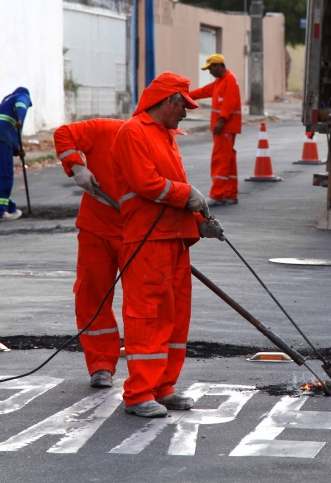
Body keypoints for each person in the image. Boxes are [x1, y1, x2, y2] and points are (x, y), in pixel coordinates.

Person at [110, 72, 223, 418]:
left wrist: (200, 223)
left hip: (174, 240)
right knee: (148, 317)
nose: (186, 113)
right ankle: (139, 392)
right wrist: (188, 195)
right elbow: (149, 184)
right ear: (168, 101)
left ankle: (163, 386)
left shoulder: (166, 136)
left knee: (174, 318)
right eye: (183, 106)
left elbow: (175, 187)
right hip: (147, 241)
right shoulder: (133, 132)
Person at [53, 118, 126, 389]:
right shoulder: (106, 129)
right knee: (92, 297)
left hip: (136, 234)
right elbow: (64, 133)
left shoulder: (163, 143)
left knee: (143, 305)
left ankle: (146, 377)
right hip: (96, 229)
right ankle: (100, 365)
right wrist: (77, 165)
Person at [188, 54, 242, 206]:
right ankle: (230, 194)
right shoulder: (220, 81)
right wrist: (185, 95)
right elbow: (202, 91)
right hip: (226, 127)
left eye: (210, 68)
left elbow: (230, 102)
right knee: (228, 160)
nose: (209, 72)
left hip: (225, 127)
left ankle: (217, 195)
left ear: (218, 66)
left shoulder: (229, 80)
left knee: (220, 160)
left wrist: (221, 121)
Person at [0, 87, 31, 221]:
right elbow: (22, 103)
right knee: (5, 175)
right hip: (0, 138)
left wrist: (16, 150)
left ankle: (10, 207)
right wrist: (20, 118)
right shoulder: (21, 96)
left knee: (0, 175)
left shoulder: (4, 104)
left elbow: (7, 130)